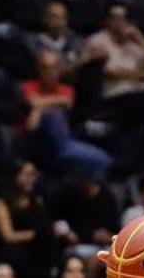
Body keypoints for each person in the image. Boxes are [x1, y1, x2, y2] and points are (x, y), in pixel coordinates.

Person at [21, 49, 112, 180]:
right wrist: (43, 106)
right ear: (39, 70)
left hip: (61, 143)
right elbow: (32, 106)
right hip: (32, 143)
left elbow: (66, 101)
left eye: (54, 68)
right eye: (46, 68)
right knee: (53, 115)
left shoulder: (66, 89)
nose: (50, 73)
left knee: (103, 159)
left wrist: (38, 110)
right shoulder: (29, 86)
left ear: (59, 70)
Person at [80, 3, 144, 125]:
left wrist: (141, 39)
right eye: (114, 18)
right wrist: (141, 75)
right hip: (115, 96)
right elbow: (109, 72)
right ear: (107, 21)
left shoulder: (134, 43)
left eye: (123, 18)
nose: (119, 22)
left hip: (141, 95)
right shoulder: (97, 40)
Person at [0, 160, 57, 278]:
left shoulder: (37, 199)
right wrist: (34, 234)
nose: (31, 179)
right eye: (26, 175)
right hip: (11, 248)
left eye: (33, 175)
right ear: (15, 176)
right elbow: (8, 236)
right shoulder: (2, 203)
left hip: (35, 246)